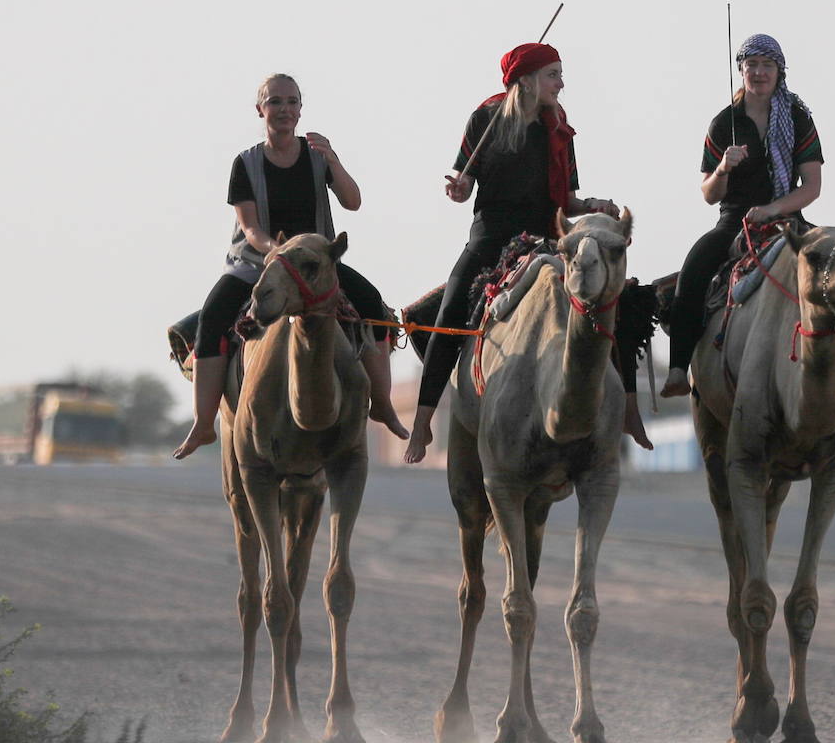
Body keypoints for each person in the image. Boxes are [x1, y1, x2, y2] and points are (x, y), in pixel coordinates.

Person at [402, 43, 645, 464]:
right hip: (492, 232)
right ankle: (424, 420)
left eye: (560, 74)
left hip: (546, 236)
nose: (561, 84)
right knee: (451, 306)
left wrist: (593, 206)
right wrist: (459, 190)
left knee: (611, 297)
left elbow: (567, 202)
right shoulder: (487, 117)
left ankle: (628, 409)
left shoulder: (559, 126)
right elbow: (463, 185)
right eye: (553, 75)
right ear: (527, 80)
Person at [660, 33, 835, 398]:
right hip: (735, 222)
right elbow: (708, 194)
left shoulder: (797, 118)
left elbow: (812, 186)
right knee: (694, 270)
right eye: (752, 66)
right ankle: (679, 370)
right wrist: (723, 170)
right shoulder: (724, 123)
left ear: (779, 71)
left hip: (789, 219)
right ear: (741, 71)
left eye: (767, 66)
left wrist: (774, 209)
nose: (759, 73)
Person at [174, 73, 408, 458]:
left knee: (372, 304)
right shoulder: (245, 163)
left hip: (316, 263)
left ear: (301, 109)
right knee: (213, 316)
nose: (285, 110)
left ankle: (381, 404)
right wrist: (275, 253)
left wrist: (333, 159)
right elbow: (249, 227)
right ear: (260, 109)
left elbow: (353, 202)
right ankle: (203, 425)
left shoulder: (316, 153)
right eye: (276, 102)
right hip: (258, 263)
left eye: (292, 102)